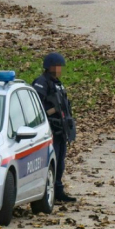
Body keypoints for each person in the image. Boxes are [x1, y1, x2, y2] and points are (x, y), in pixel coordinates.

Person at [33, 52, 77, 203]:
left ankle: (58, 190)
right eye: (59, 66)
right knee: (53, 161)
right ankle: (48, 191)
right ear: (50, 67)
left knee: (60, 161)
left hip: (60, 130)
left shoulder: (57, 83)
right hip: (49, 129)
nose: (60, 70)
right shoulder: (41, 83)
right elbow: (36, 108)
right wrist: (53, 111)